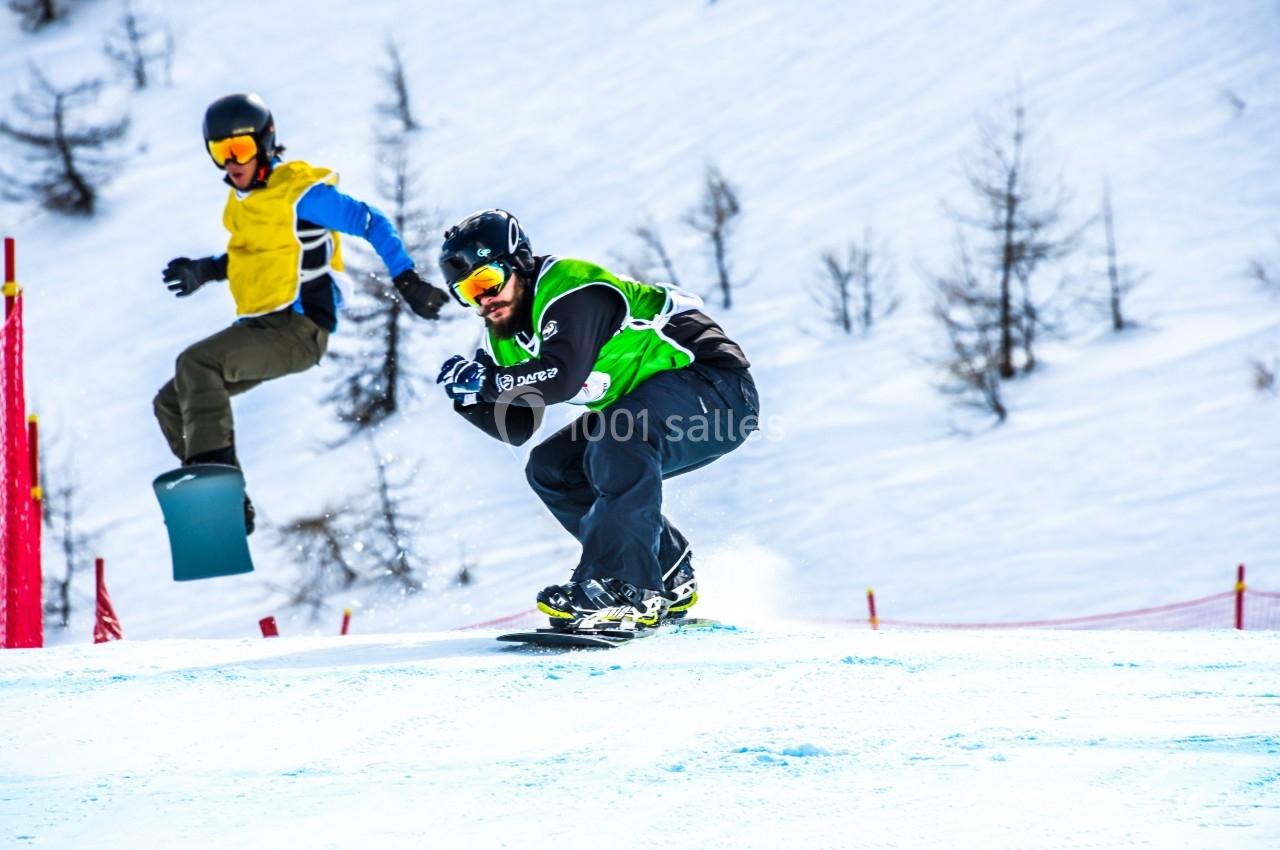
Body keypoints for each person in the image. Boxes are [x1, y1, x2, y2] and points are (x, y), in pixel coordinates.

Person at [436, 209, 758, 629]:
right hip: (646, 413)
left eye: (486, 282)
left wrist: (489, 380)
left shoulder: (571, 287)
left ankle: (626, 587)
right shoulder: (502, 337)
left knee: (618, 432)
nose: (482, 300)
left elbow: (563, 377)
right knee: (553, 468)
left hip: (718, 392)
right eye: (466, 292)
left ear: (520, 262)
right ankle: (666, 568)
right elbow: (517, 426)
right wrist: (469, 396)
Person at [153, 93, 447, 533]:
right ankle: (228, 504)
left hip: (298, 328)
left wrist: (406, 279)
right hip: (259, 327)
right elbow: (256, 258)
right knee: (171, 401)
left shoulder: (302, 197)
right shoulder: (244, 202)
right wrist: (205, 270)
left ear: (266, 142)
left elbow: (370, 221)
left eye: (241, 150)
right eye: (220, 152)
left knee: (197, 364)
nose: (232, 163)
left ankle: (218, 493)